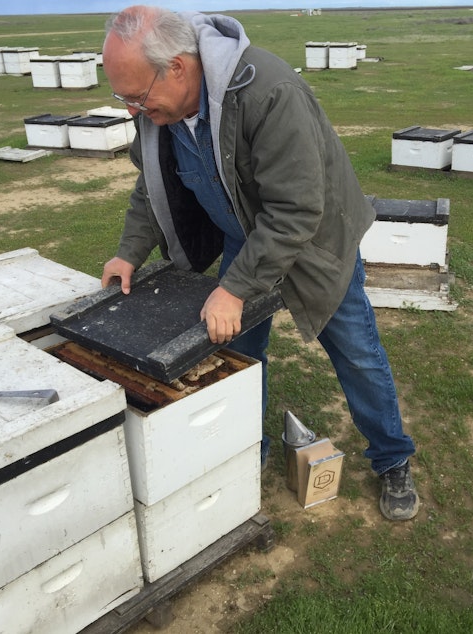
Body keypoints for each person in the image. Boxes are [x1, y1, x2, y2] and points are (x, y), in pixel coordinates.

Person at [100, 5, 419, 521]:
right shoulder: (161, 112)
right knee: (238, 356)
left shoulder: (268, 90)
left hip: (317, 243)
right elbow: (152, 186)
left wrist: (235, 288)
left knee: (356, 352)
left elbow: (297, 209)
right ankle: (248, 451)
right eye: (125, 99)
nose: (135, 111)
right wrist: (128, 251)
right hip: (242, 240)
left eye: (138, 97)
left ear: (177, 67)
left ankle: (392, 457)